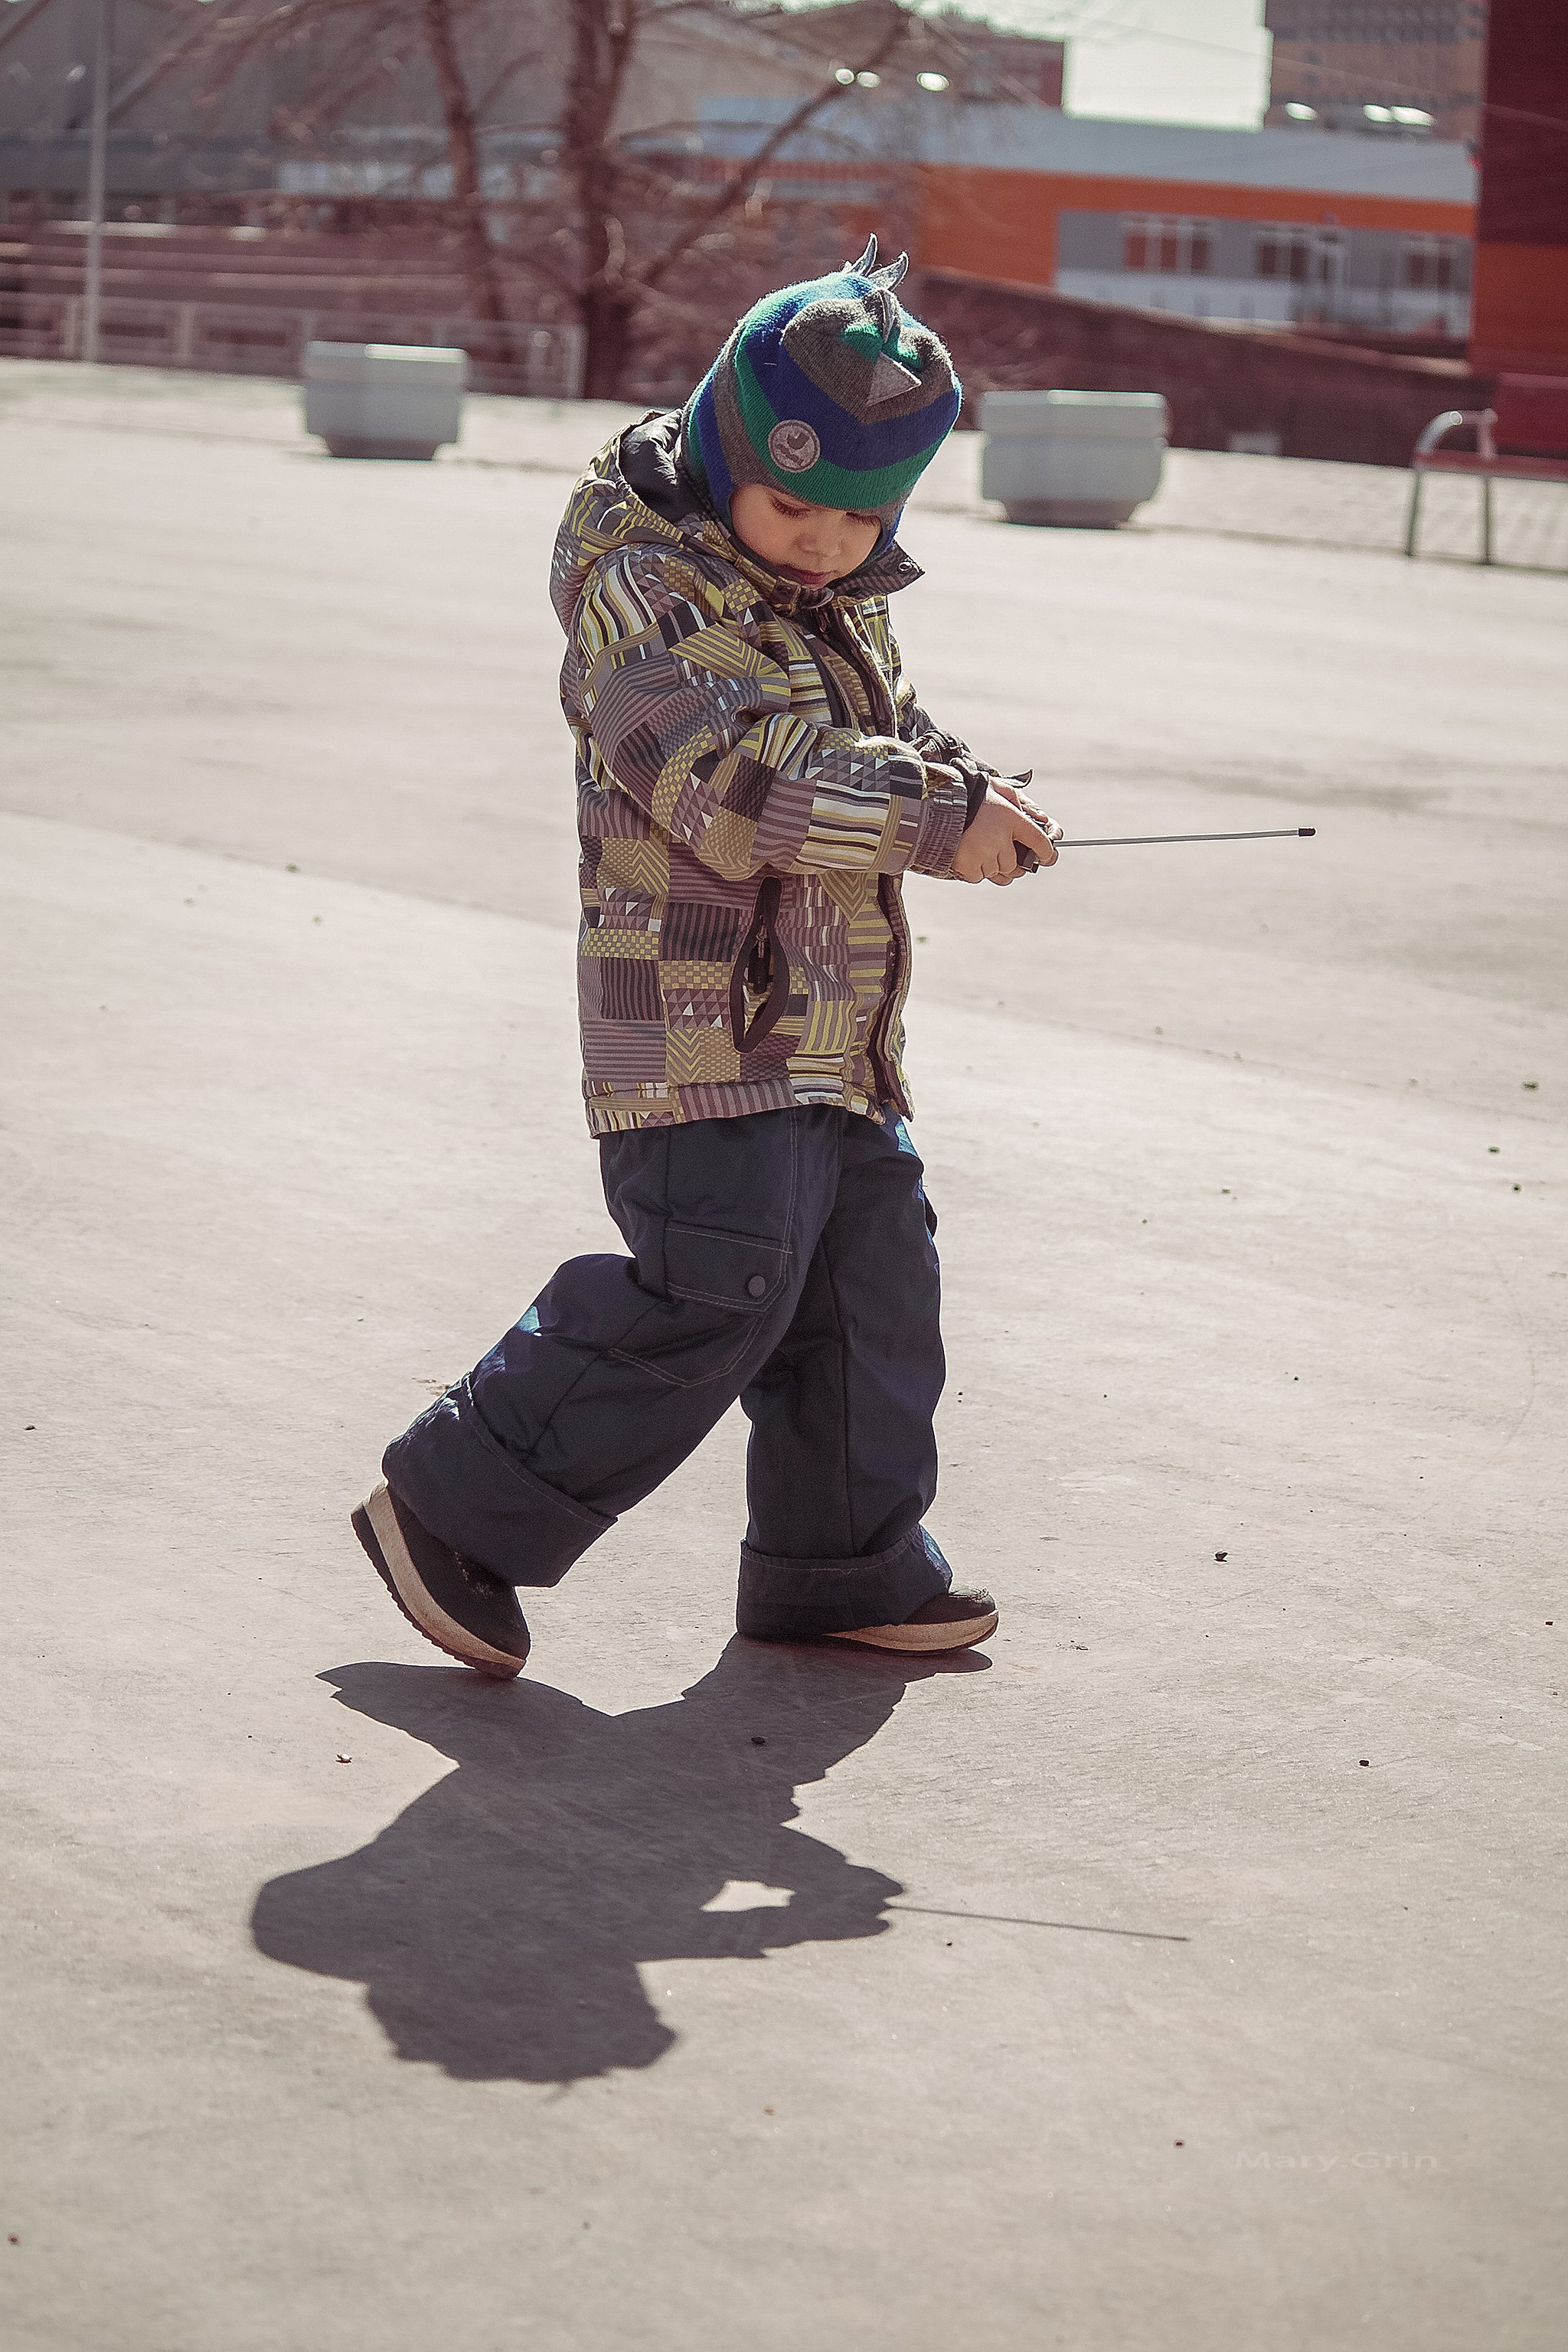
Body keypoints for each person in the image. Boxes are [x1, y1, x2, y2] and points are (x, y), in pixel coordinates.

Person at [353, 239, 1060, 1681]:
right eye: (791, 502)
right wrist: (932, 819)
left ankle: (838, 1557)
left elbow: (880, 726)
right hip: (692, 1032)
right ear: (728, 447)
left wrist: (965, 785)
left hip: (831, 1025)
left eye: (855, 522)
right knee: (713, 1286)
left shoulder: (833, 590)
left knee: (872, 1281)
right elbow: (731, 779)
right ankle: (452, 1509)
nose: (817, 540)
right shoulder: (642, 593)